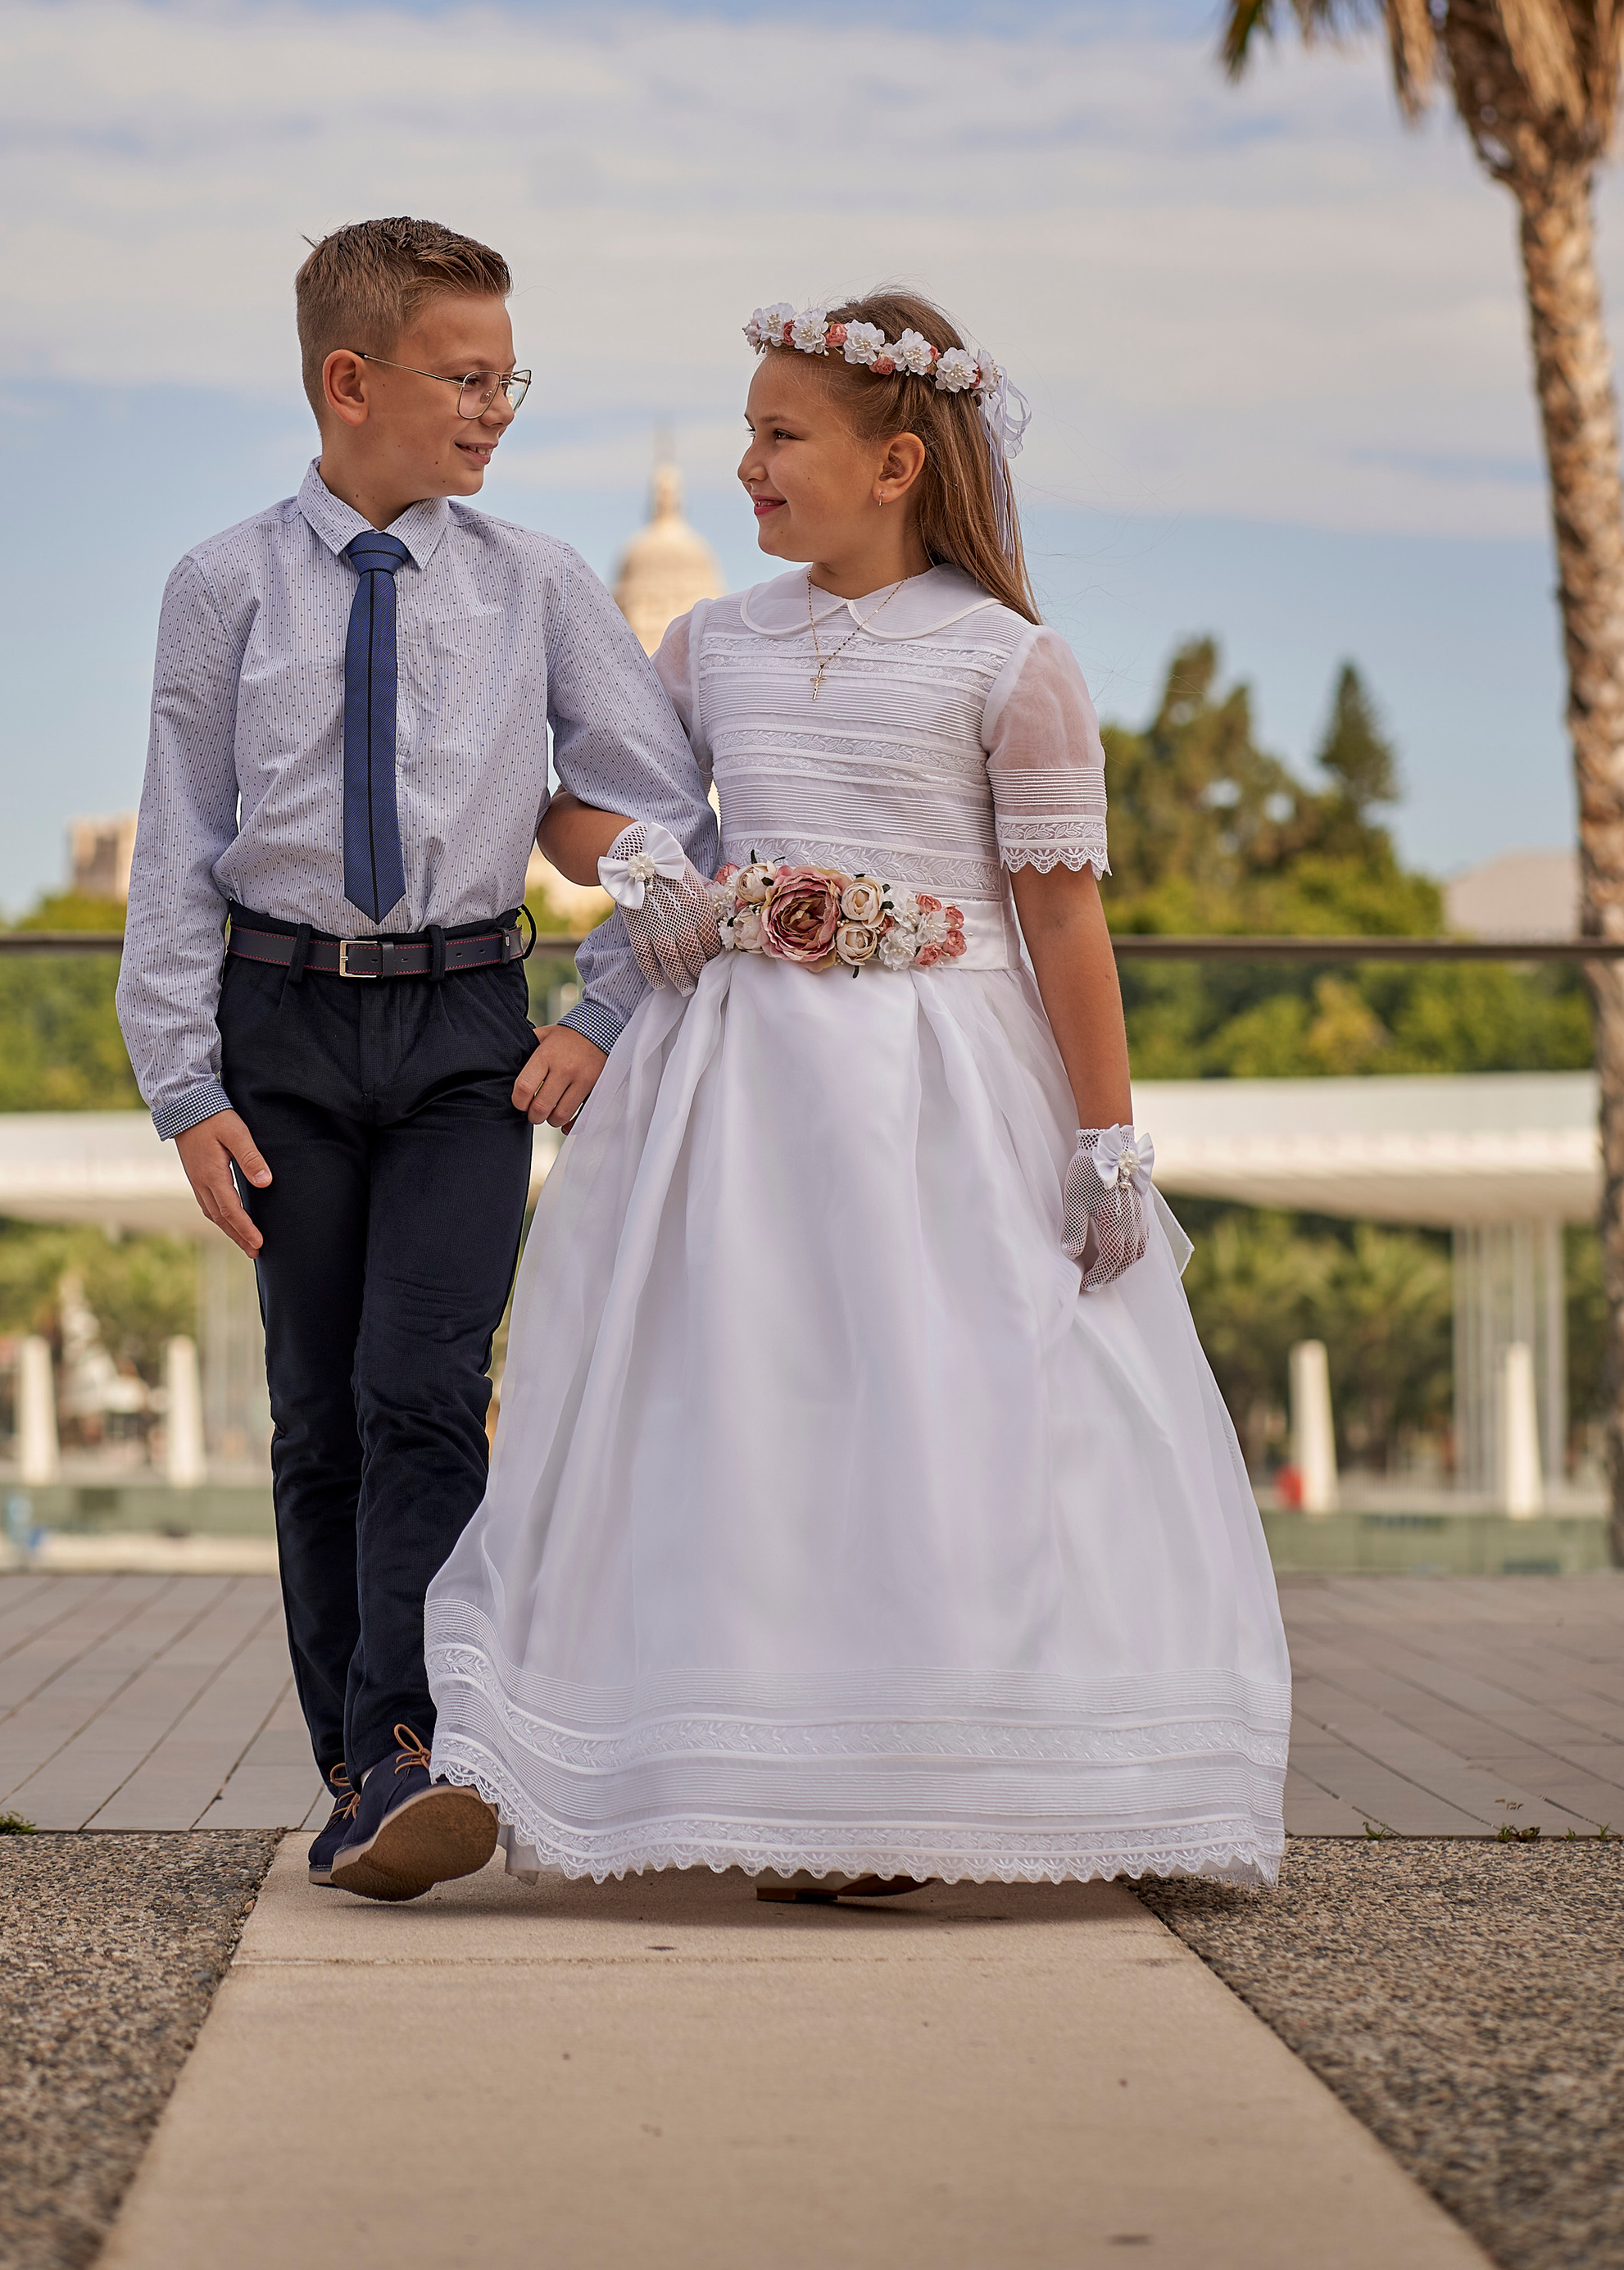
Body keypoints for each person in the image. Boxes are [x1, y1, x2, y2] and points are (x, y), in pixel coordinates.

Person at [425, 289, 1291, 1897]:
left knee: (953, 1404)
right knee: (752, 1403)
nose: (748, 461)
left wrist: (1107, 1148)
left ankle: (979, 1773)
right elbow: (571, 817)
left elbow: (1059, 920)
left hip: (943, 1082)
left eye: (778, 434)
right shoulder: (706, 643)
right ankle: (770, 1770)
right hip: (736, 1085)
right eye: (746, 431)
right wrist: (657, 875)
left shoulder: (1009, 662)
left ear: (895, 464)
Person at [116, 216, 716, 1904]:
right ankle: (353, 1765)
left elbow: (662, 810)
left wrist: (601, 1004)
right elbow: (180, 844)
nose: (497, 408)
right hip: (278, 1028)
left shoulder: (534, 582)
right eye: (467, 376)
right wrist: (183, 1083)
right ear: (348, 380)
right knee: (317, 1410)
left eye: (508, 376)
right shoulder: (220, 586)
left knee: (425, 1387)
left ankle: (414, 1749)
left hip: (466, 1028)